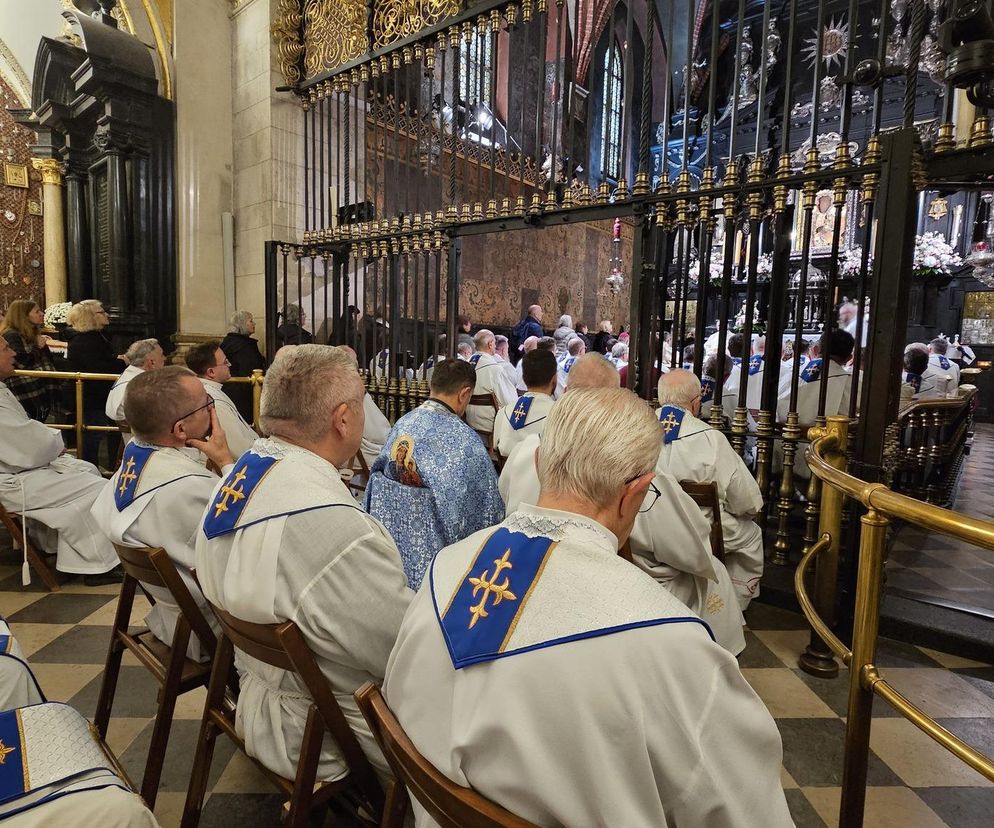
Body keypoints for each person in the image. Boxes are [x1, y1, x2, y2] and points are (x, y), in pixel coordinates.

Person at [383, 387, 791, 827]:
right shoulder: (671, 644)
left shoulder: (445, 568)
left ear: (539, 465)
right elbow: (746, 809)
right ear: (635, 492)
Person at [196, 344, 412, 783]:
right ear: (343, 419)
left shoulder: (234, 478)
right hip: (326, 732)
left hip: (265, 695)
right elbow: (402, 650)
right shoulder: (334, 529)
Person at [90, 366, 235, 659]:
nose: (212, 409)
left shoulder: (129, 467)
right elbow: (247, 540)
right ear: (181, 430)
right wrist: (227, 463)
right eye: (207, 404)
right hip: (217, 632)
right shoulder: (190, 487)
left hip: (175, 618)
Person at [365, 360, 504, 589]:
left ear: (433, 385)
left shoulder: (402, 424)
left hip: (386, 560)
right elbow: (488, 514)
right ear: (464, 394)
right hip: (436, 573)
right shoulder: (466, 442)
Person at [0, 337, 121, 584]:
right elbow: (23, 441)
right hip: (11, 480)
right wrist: (55, 444)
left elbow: (22, 436)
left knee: (87, 469)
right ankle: (97, 567)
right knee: (97, 488)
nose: (13, 353)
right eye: (5, 348)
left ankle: (71, 558)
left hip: (20, 468)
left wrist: (48, 445)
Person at [655, 370, 765, 609]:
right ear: (696, 403)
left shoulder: (636, 430)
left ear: (660, 397)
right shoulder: (711, 439)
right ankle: (730, 607)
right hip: (699, 530)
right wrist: (748, 513)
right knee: (752, 535)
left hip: (646, 529)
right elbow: (746, 501)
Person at [66, 300, 127, 464]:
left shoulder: (96, 337)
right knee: (92, 436)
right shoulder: (85, 341)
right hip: (92, 398)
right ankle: (90, 468)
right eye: (101, 312)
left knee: (100, 432)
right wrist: (121, 362)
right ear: (90, 317)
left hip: (99, 396)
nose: (106, 314)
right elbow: (99, 368)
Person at [184, 340, 259, 459]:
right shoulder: (212, 401)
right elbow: (238, 447)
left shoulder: (213, 391)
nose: (230, 365)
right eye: (225, 362)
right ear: (211, 372)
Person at [0, 299, 60, 421]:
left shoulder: (31, 333)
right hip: (25, 389)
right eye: (37, 311)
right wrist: (37, 347)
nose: (42, 313)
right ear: (23, 315)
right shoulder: (12, 334)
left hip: (39, 388)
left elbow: (47, 359)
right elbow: (21, 362)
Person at [493, 349, 557, 458]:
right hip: (540, 474)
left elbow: (495, 447)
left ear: (523, 378)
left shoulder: (503, 412)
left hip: (507, 474)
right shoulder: (558, 416)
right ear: (554, 379)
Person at [465, 329, 519, 434]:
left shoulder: (465, 364)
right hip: (490, 427)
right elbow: (510, 401)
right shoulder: (494, 368)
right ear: (490, 344)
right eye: (494, 343)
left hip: (468, 423)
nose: (495, 346)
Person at [220, 309, 267, 423]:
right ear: (242, 324)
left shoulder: (229, 342)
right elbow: (250, 370)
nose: (254, 324)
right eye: (251, 321)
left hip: (230, 392)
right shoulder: (243, 346)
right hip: (243, 395)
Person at [105, 338, 165, 424]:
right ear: (151, 363)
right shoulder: (141, 387)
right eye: (162, 355)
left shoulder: (128, 375)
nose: (165, 358)